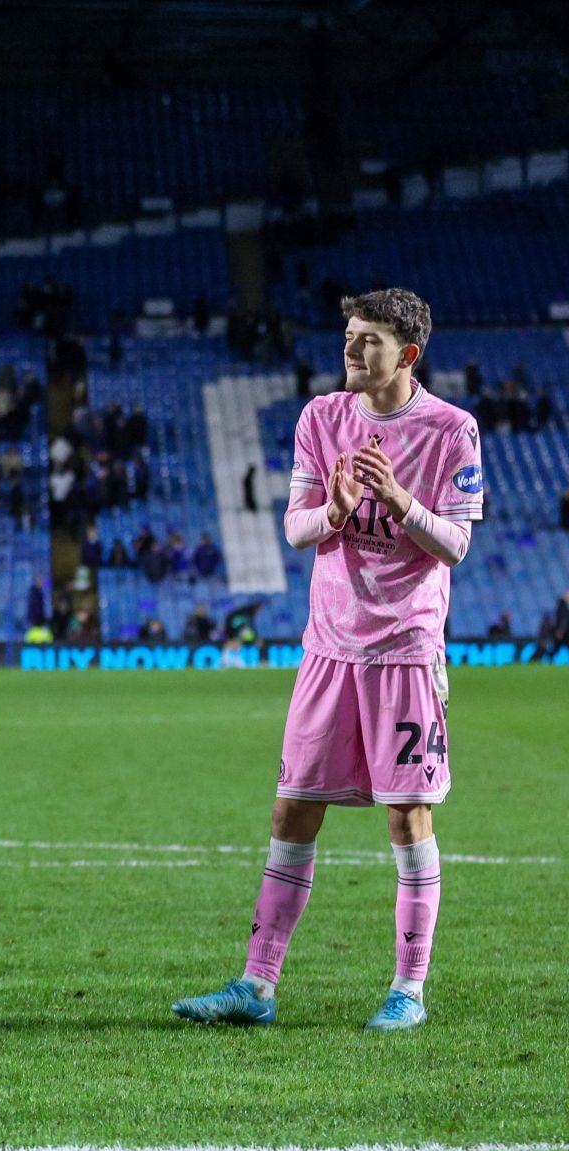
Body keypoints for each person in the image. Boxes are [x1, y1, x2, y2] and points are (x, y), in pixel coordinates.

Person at [174, 288, 482, 1035]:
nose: (349, 350)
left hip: (405, 651)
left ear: (407, 355)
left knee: (408, 817)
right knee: (292, 809)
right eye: (348, 336)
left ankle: (409, 988)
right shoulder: (322, 418)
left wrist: (401, 502)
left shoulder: (451, 429)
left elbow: (457, 544)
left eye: (367, 340)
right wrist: (338, 510)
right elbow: (296, 528)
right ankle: (258, 983)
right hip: (329, 650)